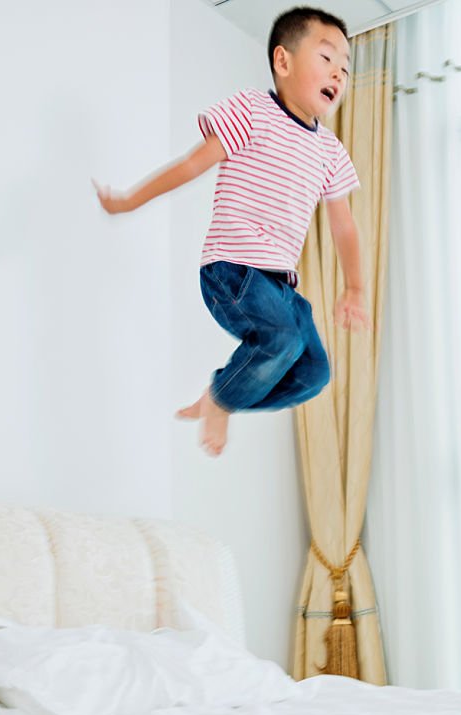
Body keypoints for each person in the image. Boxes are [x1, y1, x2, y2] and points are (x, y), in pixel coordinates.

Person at [93, 7, 370, 457]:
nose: (338, 73)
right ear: (283, 62)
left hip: (280, 285)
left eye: (344, 66)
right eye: (326, 58)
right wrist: (128, 201)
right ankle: (223, 398)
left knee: (314, 373)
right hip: (232, 270)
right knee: (282, 340)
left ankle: (222, 395)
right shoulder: (252, 111)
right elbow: (190, 165)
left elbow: (344, 225)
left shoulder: (330, 151)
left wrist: (355, 288)